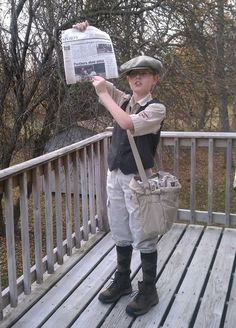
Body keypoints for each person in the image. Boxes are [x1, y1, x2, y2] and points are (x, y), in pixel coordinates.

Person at [73, 21, 166, 317]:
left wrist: (104, 96)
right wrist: (85, 35)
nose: (136, 78)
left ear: (155, 79)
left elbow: (127, 124)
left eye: (143, 74)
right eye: (132, 74)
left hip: (139, 181)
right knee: (121, 233)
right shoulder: (124, 99)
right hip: (115, 176)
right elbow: (94, 76)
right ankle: (123, 281)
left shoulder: (157, 109)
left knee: (143, 235)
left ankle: (149, 290)